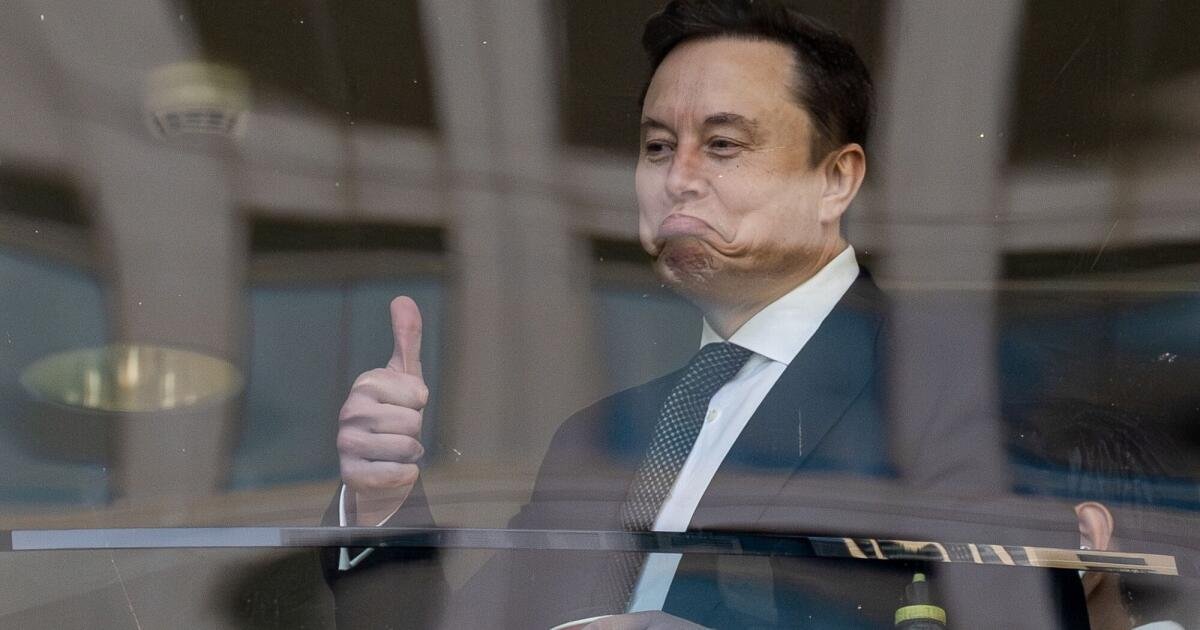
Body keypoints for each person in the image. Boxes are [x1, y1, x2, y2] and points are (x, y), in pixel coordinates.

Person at [324, 1, 997, 627]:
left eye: (723, 144)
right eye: (657, 147)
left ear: (835, 180)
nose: (678, 178)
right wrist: (382, 501)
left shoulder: (951, 392)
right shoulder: (599, 439)